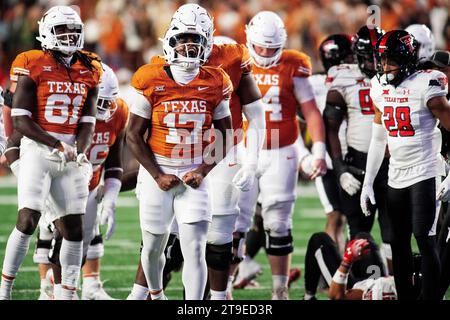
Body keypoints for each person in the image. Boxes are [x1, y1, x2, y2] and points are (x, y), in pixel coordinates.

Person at [127, 5, 266, 301]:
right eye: (184, 37)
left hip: (215, 153)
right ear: (171, 38)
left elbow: (254, 114)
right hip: (169, 155)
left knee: (215, 239)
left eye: (198, 37)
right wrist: (152, 171)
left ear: (210, 35)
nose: (190, 44)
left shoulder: (229, 60)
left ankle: (216, 298)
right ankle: (143, 294)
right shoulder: (156, 70)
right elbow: (139, 130)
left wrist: (250, 159)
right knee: (157, 240)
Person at [0, 5, 102, 300]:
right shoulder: (31, 61)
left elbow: (87, 121)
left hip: (69, 154)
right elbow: (21, 119)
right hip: (38, 149)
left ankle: (67, 294)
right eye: (62, 30)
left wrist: (81, 153)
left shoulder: (91, 67)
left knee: (73, 228)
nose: (69, 36)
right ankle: (4, 290)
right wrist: (56, 145)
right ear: (46, 32)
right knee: (28, 219)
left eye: (73, 30)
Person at [234, 11, 327, 300]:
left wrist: (318, 151)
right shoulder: (235, 60)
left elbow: (310, 111)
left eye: (272, 48)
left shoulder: (294, 64)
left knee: (278, 223)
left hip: (281, 151)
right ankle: (222, 291)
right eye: (260, 47)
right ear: (249, 40)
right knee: (233, 223)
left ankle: (280, 291)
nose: (264, 53)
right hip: (242, 148)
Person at [361, 30, 450, 300]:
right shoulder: (379, 86)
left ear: (408, 59)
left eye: (392, 61)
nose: (386, 67)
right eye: (383, 61)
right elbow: (378, 140)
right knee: (397, 243)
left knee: (424, 239)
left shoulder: (428, 84)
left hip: (425, 171)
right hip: (396, 174)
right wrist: (368, 182)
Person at [323, 26, 393, 275]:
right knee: (358, 229)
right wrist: (340, 168)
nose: (375, 63)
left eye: (379, 56)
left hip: (391, 162)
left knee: (392, 231)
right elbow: (330, 125)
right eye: (369, 56)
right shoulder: (342, 76)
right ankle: (361, 282)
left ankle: (393, 285)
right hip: (357, 161)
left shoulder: (399, 73)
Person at [303, 231, 394, 300]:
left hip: (363, 290)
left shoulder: (382, 292)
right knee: (363, 240)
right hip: (377, 282)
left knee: (319, 240)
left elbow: (339, 296)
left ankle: (309, 297)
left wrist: (347, 261)